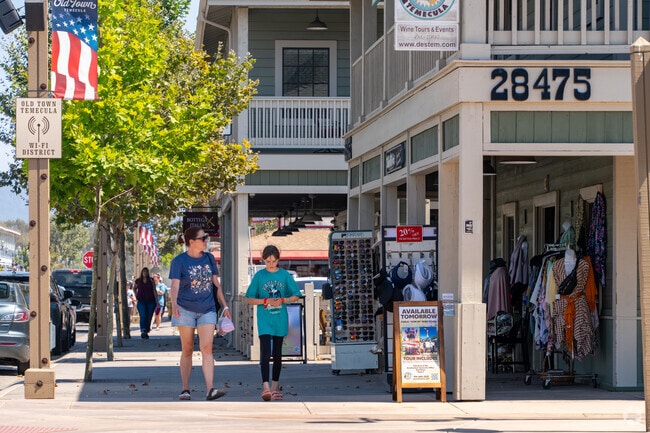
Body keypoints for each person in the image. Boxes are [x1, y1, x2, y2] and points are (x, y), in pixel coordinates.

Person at [169, 227, 231, 401]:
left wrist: (225, 307)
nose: (206, 240)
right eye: (203, 238)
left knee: (207, 348)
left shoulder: (209, 258)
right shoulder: (179, 261)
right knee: (187, 348)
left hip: (207, 308)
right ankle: (185, 388)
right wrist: (174, 304)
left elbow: (216, 285)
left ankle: (210, 388)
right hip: (185, 309)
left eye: (206, 237)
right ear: (192, 241)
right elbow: (175, 285)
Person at [245, 245, 301, 401]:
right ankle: (266, 387)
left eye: (273, 261)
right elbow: (249, 298)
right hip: (264, 319)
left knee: (277, 354)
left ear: (278, 260)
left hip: (280, 319)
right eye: (267, 261)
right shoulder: (259, 276)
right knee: (265, 352)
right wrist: (265, 300)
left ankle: (275, 387)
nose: (270, 264)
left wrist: (283, 300)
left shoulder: (284, 275)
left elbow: (296, 294)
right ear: (263, 259)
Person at [134, 267, 157, 339]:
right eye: (144, 272)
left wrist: (157, 301)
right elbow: (134, 288)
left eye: (146, 272)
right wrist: (136, 295)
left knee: (149, 316)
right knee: (143, 315)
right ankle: (143, 330)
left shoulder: (151, 280)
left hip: (151, 300)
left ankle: (146, 330)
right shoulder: (138, 281)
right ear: (142, 272)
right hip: (141, 301)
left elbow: (154, 290)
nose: (145, 273)